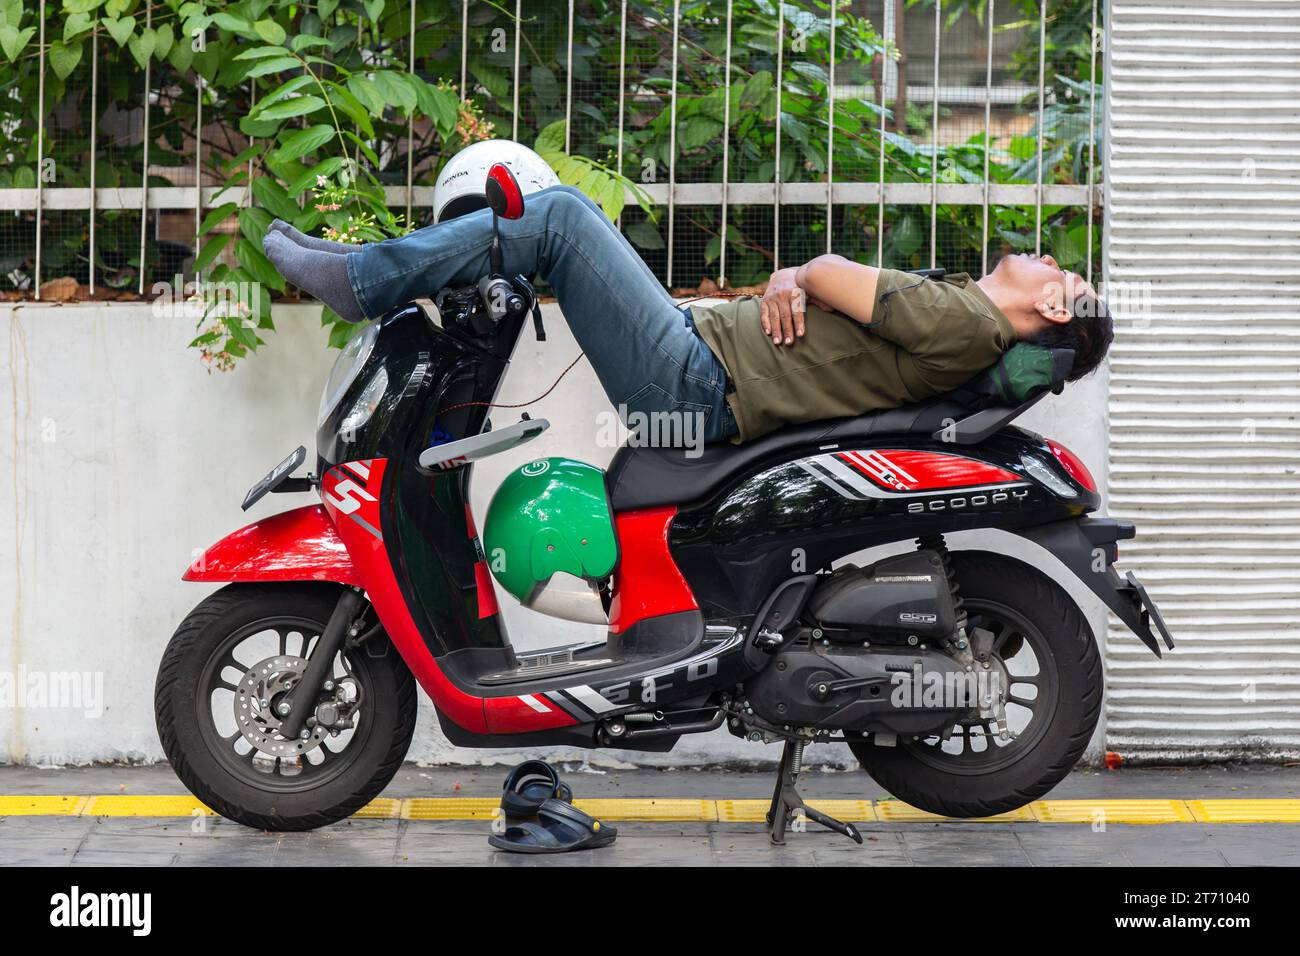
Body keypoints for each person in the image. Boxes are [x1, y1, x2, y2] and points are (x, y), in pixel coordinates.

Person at [264, 183, 1111, 445]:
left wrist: (804, 272)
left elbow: (827, 270)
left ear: (1051, 305)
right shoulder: (959, 310)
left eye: (1057, 270)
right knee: (559, 218)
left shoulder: (969, 322)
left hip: (696, 381)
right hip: (699, 354)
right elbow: (818, 278)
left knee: (559, 218)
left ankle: (364, 280)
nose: (1044, 258)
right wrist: (796, 276)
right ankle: (362, 271)